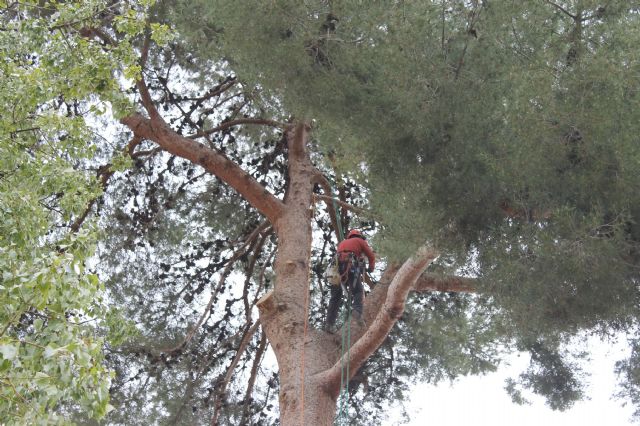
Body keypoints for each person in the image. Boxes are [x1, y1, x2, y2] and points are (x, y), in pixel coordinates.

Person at [325, 229, 375, 331]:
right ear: (359, 236)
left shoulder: (342, 243)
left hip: (336, 270)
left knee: (335, 297)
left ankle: (329, 324)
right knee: (358, 291)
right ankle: (357, 310)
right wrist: (371, 268)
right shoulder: (360, 241)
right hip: (350, 267)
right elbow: (371, 256)